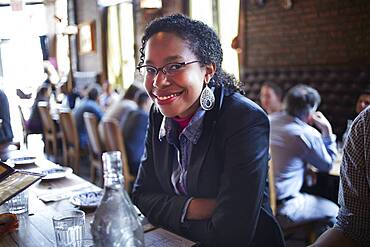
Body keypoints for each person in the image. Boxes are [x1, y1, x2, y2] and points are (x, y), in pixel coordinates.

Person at [132, 14, 284, 246]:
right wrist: (195, 207)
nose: (158, 82)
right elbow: (141, 195)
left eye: (174, 66)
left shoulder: (244, 120)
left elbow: (231, 234)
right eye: (151, 68)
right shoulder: (159, 112)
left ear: (208, 71)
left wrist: (167, 208)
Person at [269, 84, 339, 229]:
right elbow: (328, 165)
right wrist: (327, 130)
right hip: (284, 208)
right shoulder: (305, 134)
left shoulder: (267, 120)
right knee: (336, 213)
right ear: (310, 113)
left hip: (259, 205)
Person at [309, 106, 370, 247]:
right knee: (331, 211)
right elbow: (327, 164)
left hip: (270, 206)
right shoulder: (365, 123)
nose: (362, 105)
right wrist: (327, 131)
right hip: (288, 202)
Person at [122, 91, 152, 176]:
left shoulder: (131, 113)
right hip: (136, 163)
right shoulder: (143, 117)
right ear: (146, 101)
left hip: (126, 159)